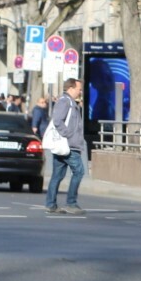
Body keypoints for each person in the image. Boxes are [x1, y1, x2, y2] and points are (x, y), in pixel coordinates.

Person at [45, 78, 87, 215]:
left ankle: (51, 204)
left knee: (57, 175)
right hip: (69, 146)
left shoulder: (69, 102)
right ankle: (71, 203)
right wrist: (68, 134)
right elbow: (57, 120)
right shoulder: (65, 101)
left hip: (66, 145)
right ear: (71, 88)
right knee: (79, 171)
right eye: (78, 89)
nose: (80, 92)